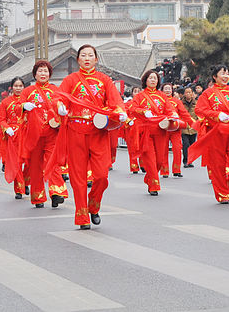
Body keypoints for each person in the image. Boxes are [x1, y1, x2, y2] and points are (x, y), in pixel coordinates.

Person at [54, 44, 127, 229]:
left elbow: (115, 101)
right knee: (78, 178)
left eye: (90, 55)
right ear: (78, 59)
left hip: (98, 132)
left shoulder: (104, 80)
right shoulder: (71, 79)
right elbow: (58, 97)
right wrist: (59, 107)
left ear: (96, 59)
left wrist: (120, 112)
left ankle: (93, 205)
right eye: (83, 55)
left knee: (102, 176)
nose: (87, 58)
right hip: (76, 132)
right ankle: (82, 216)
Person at [194, 65, 229, 204]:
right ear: (215, 77)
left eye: (227, 74)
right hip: (216, 133)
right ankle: (223, 194)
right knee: (218, 166)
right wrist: (217, 115)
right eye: (222, 74)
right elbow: (200, 110)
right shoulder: (208, 94)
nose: (225, 76)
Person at [20, 61, 68, 208]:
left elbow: (62, 104)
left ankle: (57, 192)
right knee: (35, 166)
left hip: (51, 133)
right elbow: (18, 106)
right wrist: (23, 106)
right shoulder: (28, 92)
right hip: (33, 135)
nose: (43, 74)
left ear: (49, 74)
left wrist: (62, 111)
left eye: (45, 71)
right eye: (40, 71)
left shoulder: (56, 90)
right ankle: (38, 196)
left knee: (52, 162)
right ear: (35, 74)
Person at [130, 70, 178, 195]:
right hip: (146, 131)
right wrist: (143, 111)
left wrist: (173, 115)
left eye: (155, 78)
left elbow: (169, 109)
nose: (153, 80)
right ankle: (154, 186)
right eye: (150, 78)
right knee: (150, 159)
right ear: (145, 80)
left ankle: (149, 177)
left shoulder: (162, 96)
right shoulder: (140, 96)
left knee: (160, 160)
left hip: (160, 130)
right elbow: (132, 108)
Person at [0, 77, 30, 198]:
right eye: (16, 86)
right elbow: (1, 119)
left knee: (29, 162)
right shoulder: (6, 102)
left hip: (26, 135)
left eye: (20, 86)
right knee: (16, 163)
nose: (18, 88)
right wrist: (7, 128)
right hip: (13, 136)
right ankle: (19, 189)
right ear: (12, 87)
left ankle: (26, 182)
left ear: (24, 87)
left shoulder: (27, 101)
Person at [162, 82, 192, 178]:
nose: (167, 90)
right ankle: (164, 171)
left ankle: (177, 170)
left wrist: (192, 122)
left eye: (169, 89)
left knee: (177, 149)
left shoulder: (177, 101)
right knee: (163, 150)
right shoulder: (159, 101)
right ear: (162, 90)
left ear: (172, 90)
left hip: (175, 129)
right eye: (165, 88)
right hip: (163, 129)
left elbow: (184, 113)